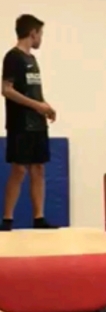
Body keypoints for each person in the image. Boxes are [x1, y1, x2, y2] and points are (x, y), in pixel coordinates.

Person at [1, 14, 56, 231]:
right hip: (20, 123)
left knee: (38, 168)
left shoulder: (32, 60)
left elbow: (33, 91)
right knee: (19, 169)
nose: (41, 38)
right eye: (40, 34)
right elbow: (6, 90)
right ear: (32, 33)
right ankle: (7, 218)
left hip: (37, 123)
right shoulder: (13, 57)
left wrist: (46, 106)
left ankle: (39, 218)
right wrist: (36, 106)